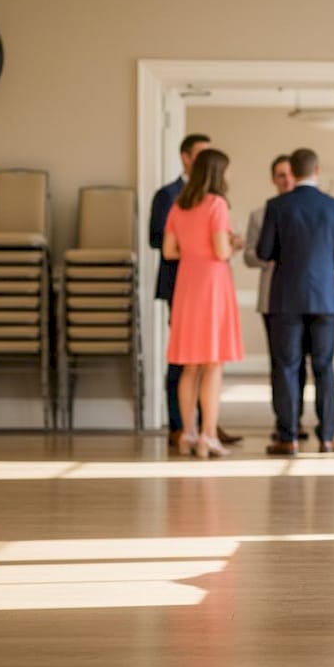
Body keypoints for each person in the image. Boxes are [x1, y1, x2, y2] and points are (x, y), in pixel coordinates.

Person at [257, 148, 334, 455]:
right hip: (324, 296)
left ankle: (289, 437)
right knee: (324, 366)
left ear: (293, 171)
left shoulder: (277, 205)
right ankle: (327, 436)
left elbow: (263, 251)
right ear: (317, 170)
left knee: (287, 366)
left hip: (286, 296)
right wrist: (324, 265)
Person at [149, 133, 242, 449]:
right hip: (212, 285)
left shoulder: (178, 205)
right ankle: (208, 434)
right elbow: (221, 251)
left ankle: (187, 433)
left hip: (186, 285)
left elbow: (169, 252)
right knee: (213, 364)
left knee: (189, 365)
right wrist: (233, 242)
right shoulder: (217, 204)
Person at [243, 154, 311, 441]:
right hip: (273, 297)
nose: (286, 180)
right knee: (280, 362)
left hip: (305, 298)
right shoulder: (261, 214)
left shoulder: (307, 210)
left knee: (302, 362)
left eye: (289, 175)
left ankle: (297, 418)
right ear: (274, 179)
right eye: (280, 176)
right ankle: (283, 419)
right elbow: (249, 255)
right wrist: (271, 260)